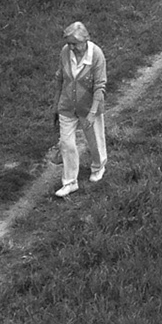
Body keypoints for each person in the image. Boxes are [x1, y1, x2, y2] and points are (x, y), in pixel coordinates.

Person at [53, 21, 108, 198]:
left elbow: (100, 85)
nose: (71, 47)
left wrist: (93, 112)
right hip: (67, 105)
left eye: (74, 44)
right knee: (66, 143)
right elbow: (60, 79)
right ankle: (69, 182)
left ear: (85, 40)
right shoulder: (65, 52)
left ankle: (98, 166)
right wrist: (56, 106)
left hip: (88, 106)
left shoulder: (96, 55)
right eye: (69, 43)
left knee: (94, 140)